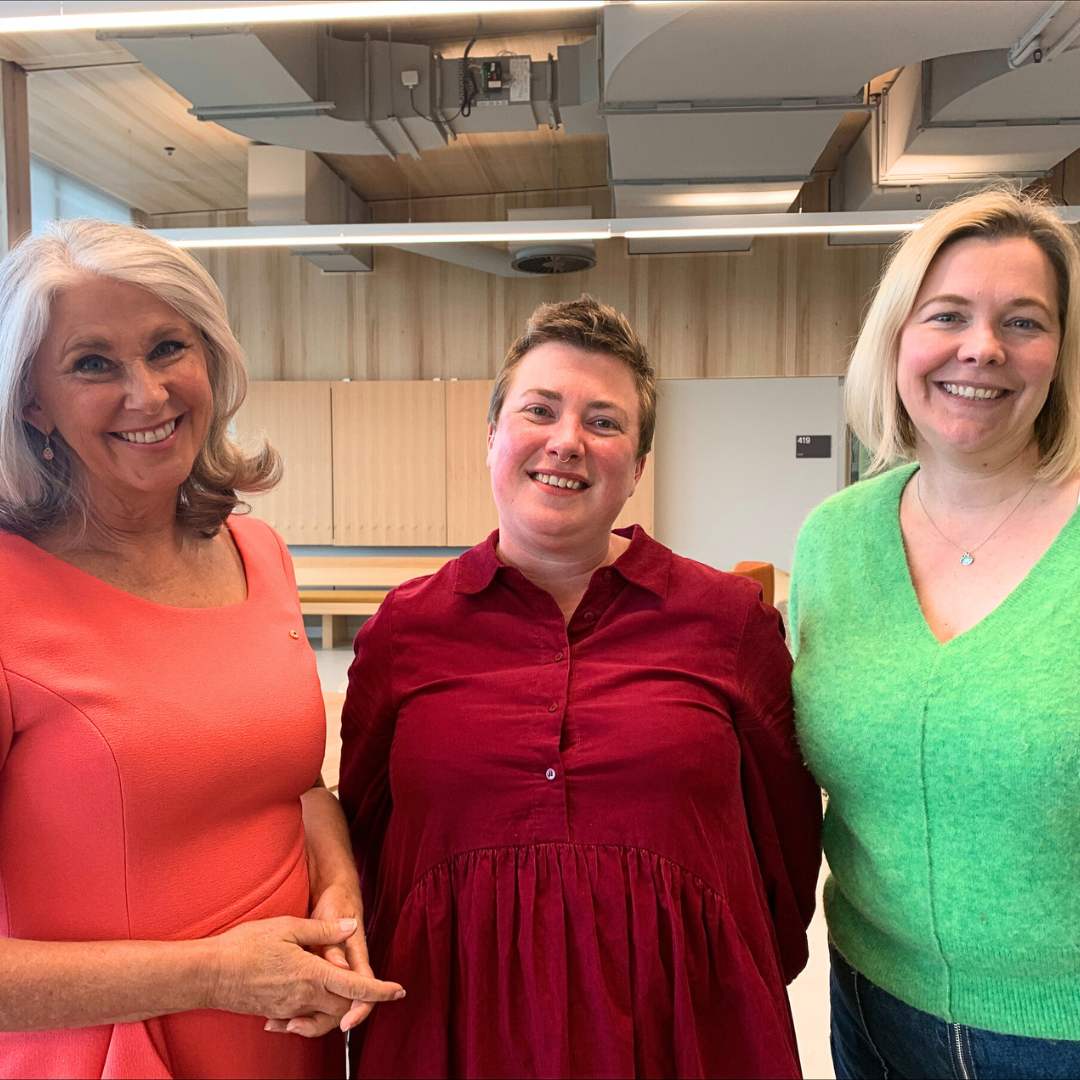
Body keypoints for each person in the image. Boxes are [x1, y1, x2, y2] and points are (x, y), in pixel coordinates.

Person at [339, 295, 822, 1079]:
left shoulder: (725, 621)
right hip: (451, 1023)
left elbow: (787, 837)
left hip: (684, 1025)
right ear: (493, 436)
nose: (567, 442)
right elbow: (362, 834)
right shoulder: (406, 628)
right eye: (540, 410)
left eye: (604, 422)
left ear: (636, 467)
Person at [0, 219, 403, 1079]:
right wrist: (217, 972)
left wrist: (337, 890)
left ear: (210, 361)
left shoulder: (257, 556)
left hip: (285, 1054)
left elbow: (291, 783)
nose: (146, 394)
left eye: (167, 347)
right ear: (32, 401)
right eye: (93, 363)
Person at [789, 189, 1080, 1079]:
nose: (982, 348)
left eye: (1023, 322)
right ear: (897, 342)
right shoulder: (835, 540)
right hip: (876, 1007)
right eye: (947, 314)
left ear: (1062, 353)